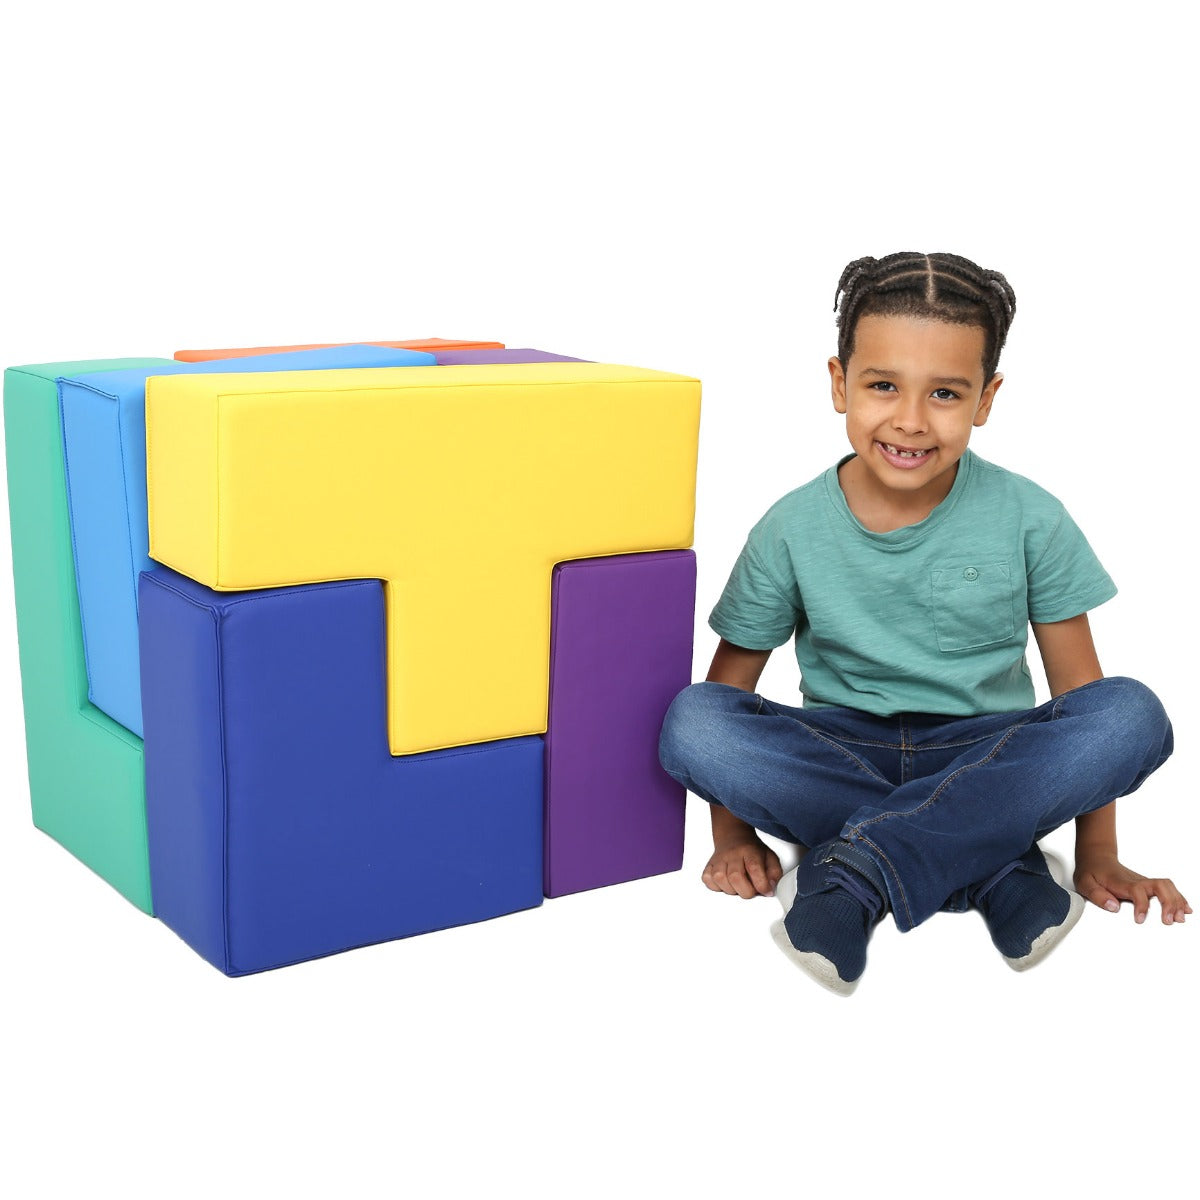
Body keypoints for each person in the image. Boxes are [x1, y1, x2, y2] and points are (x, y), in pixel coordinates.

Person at [658, 251, 1185, 995]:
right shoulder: (790, 526)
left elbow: (1080, 696)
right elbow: (728, 692)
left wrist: (1097, 852)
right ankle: (992, 865)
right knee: (692, 721)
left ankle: (858, 868)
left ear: (986, 398)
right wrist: (731, 837)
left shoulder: (1031, 516)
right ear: (839, 384)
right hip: (838, 752)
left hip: (988, 755)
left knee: (1130, 714)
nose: (910, 420)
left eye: (945, 392)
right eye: (882, 385)